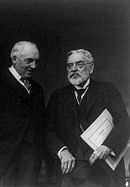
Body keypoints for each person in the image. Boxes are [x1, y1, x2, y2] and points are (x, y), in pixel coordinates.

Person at [46, 49, 130, 187]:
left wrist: (107, 146)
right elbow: (48, 129)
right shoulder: (58, 96)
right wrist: (62, 151)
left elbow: (124, 122)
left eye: (79, 64)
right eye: (69, 65)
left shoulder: (107, 90)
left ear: (90, 68)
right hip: (68, 169)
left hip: (101, 169)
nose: (73, 69)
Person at [0, 41, 46, 187]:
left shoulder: (37, 89)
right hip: (0, 162)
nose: (34, 66)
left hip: (30, 163)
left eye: (36, 61)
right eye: (29, 61)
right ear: (14, 59)